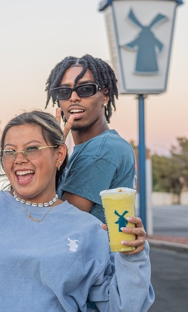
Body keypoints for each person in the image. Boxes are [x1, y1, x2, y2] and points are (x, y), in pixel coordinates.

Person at [0, 110, 154, 311]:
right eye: (9, 151)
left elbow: (123, 306)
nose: (19, 159)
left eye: (32, 148)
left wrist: (133, 256)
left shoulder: (89, 231)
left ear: (59, 155)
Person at [45, 54, 144, 254]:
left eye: (85, 89)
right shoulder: (87, 149)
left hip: (94, 277)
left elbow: (59, 221)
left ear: (105, 95)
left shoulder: (101, 150)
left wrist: (45, 157)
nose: (73, 97)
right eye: (64, 91)